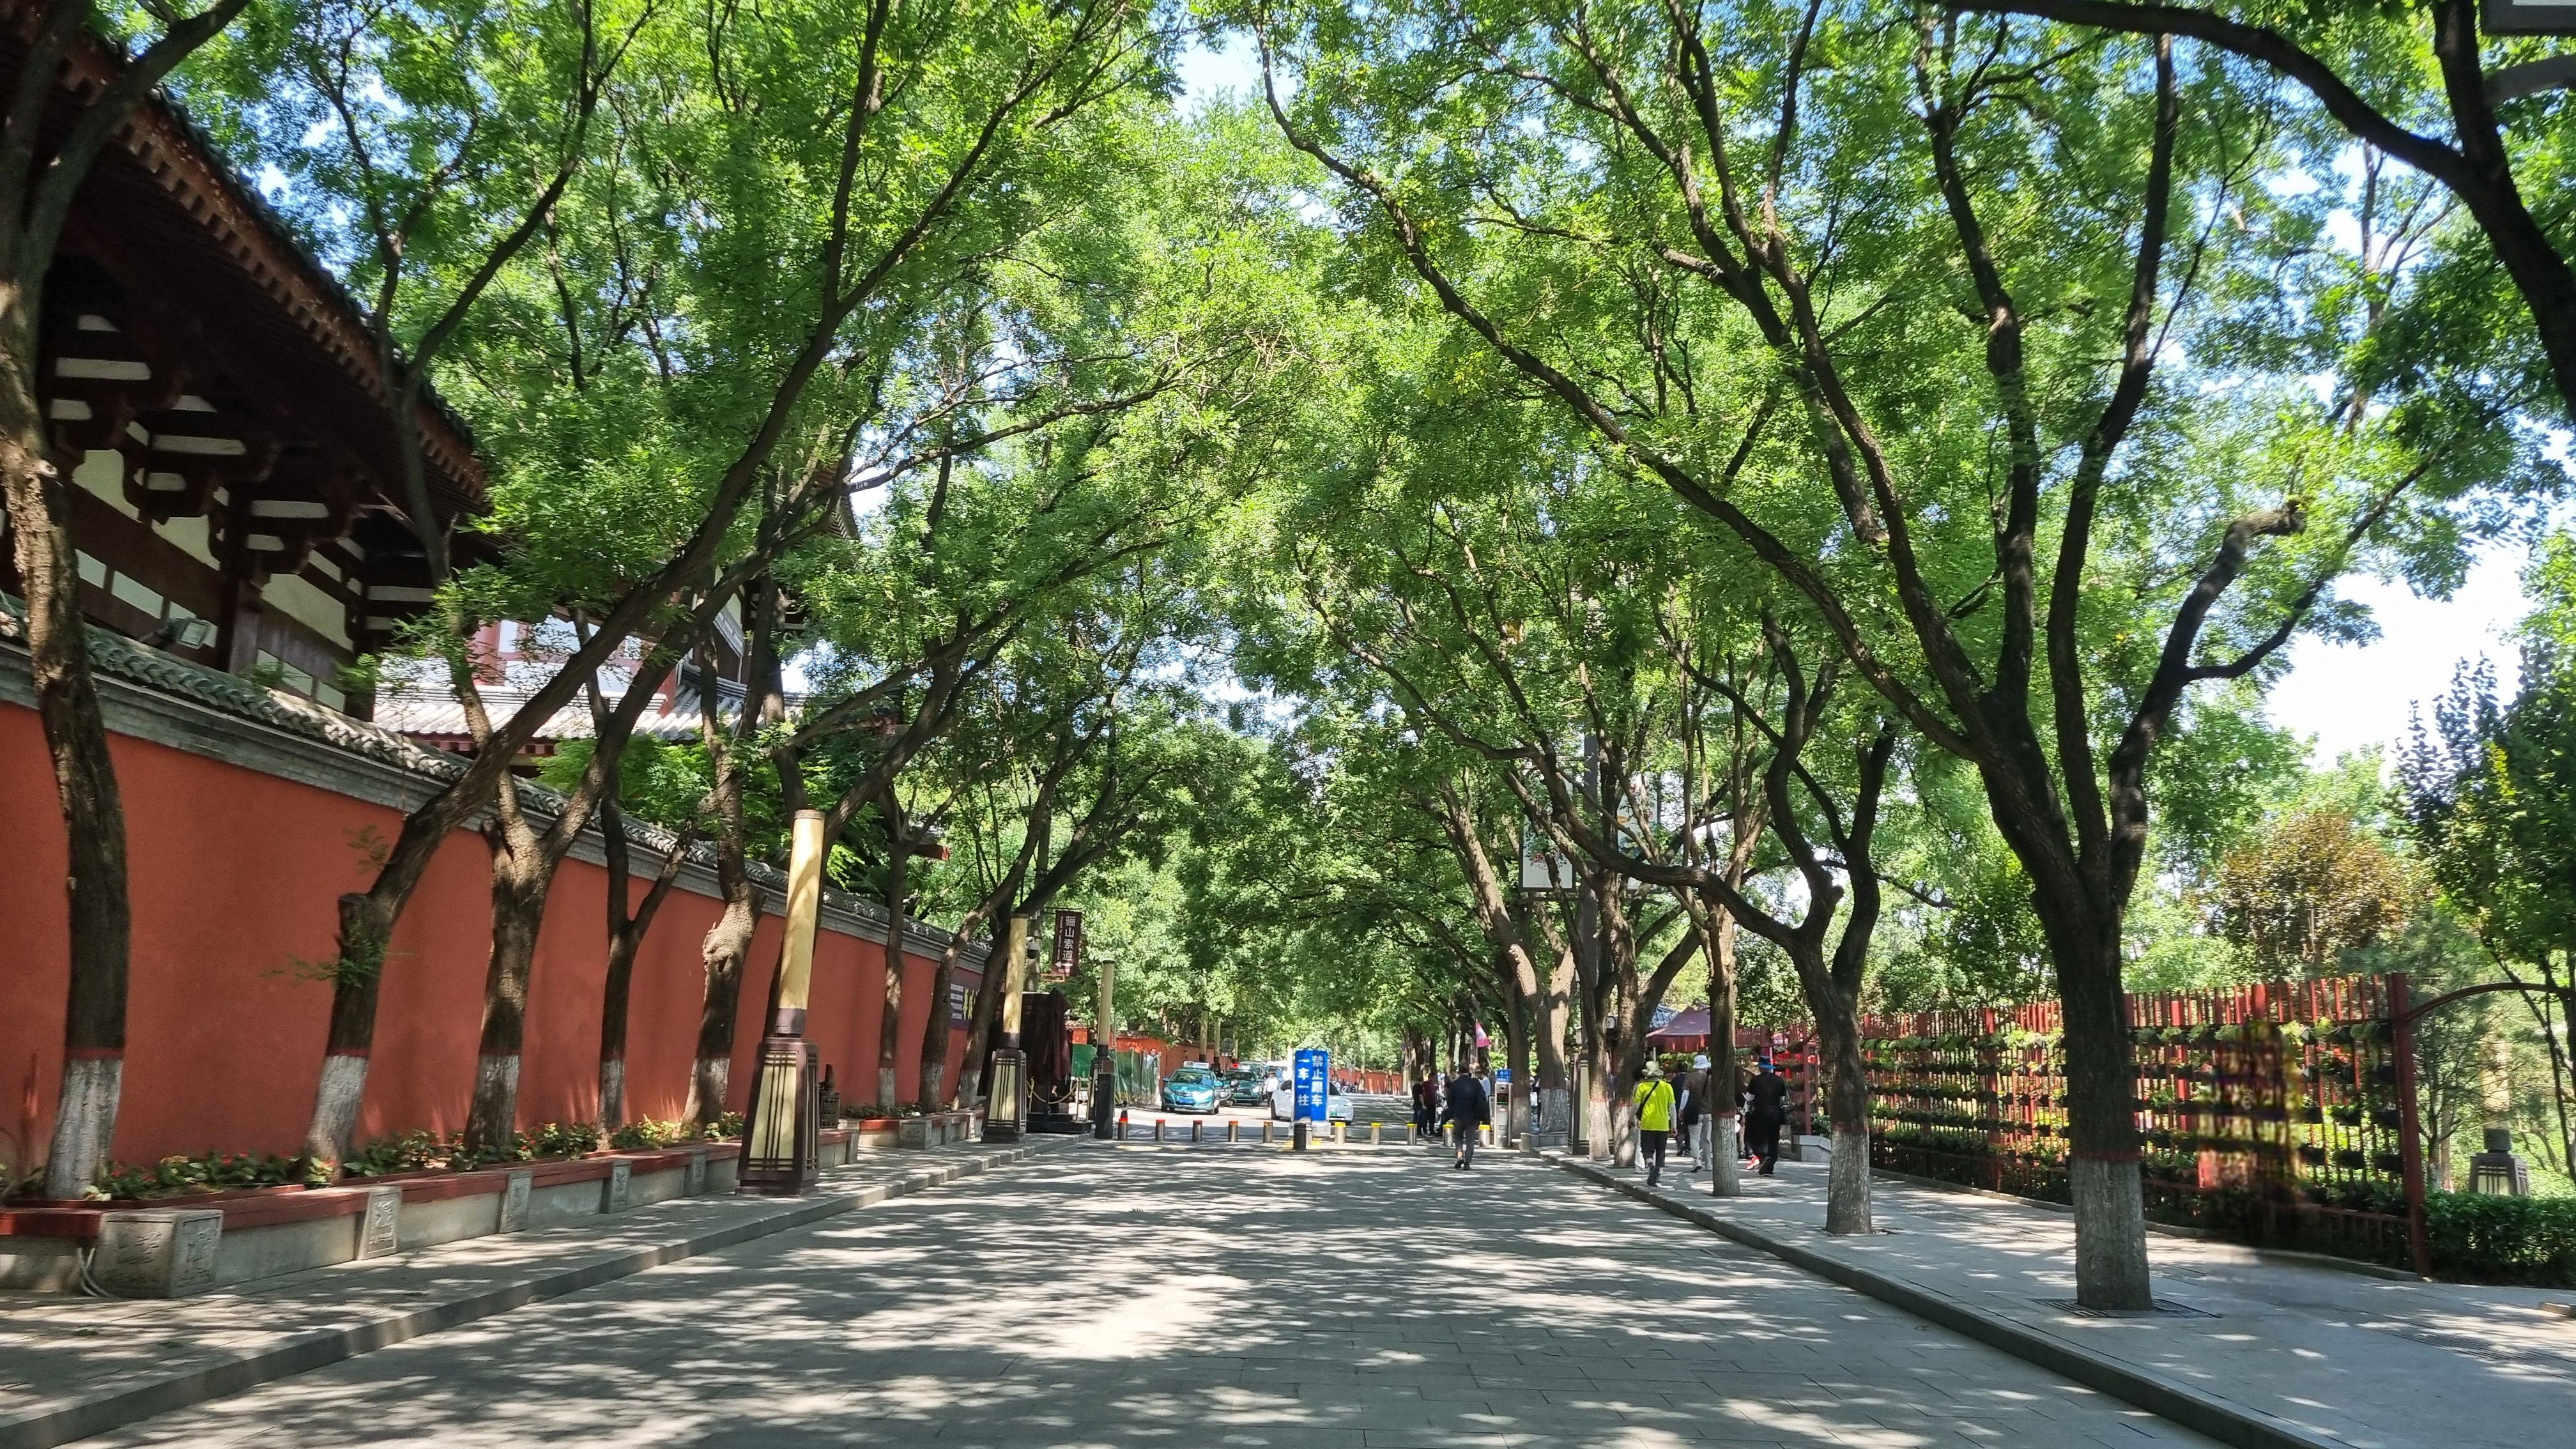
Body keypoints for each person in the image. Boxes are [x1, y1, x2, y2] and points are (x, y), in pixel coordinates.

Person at [1631, 1061, 1680, 1185]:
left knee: (1646, 1150)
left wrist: (1631, 1119)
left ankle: (1652, 1166)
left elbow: (1636, 1106)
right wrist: (1674, 1125)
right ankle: (1659, 1175)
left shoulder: (1642, 1087)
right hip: (1663, 1124)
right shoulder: (1667, 1087)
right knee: (1661, 1151)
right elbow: (1672, 1108)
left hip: (1647, 1124)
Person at [1745, 1058, 1789, 1176]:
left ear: (1760, 1068)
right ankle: (1770, 1165)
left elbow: (1749, 1098)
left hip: (1760, 1113)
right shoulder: (1779, 1080)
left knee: (1755, 1137)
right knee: (1773, 1139)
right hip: (1775, 1113)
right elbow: (1783, 1099)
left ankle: (1763, 1157)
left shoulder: (1756, 1080)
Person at [1443, 1062, 1489, 1170]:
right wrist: (1482, 1115)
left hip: (1459, 1115)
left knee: (1458, 1136)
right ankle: (1467, 1163)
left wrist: (1453, 1113)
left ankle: (1460, 1154)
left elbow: (1450, 1100)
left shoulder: (1455, 1084)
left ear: (1459, 1071)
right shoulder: (1475, 1083)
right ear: (1468, 1070)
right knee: (1470, 1140)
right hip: (1472, 1116)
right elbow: (1483, 1099)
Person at [1680, 1054, 1710, 1171]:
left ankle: (1697, 1160)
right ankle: (1709, 1163)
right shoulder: (1711, 1078)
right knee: (1707, 1139)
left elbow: (1685, 1094)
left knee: (1694, 1138)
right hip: (1709, 1112)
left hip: (1695, 1112)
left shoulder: (1690, 1077)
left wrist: (1681, 1109)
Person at [1412, 1075, 1440, 1140]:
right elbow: (1421, 1096)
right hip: (1426, 1104)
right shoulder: (1423, 1085)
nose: (1434, 1079)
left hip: (1431, 1104)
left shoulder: (1432, 1085)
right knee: (1423, 1118)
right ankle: (1422, 1130)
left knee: (1431, 1118)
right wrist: (1423, 1105)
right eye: (1433, 1078)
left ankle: (1430, 1130)